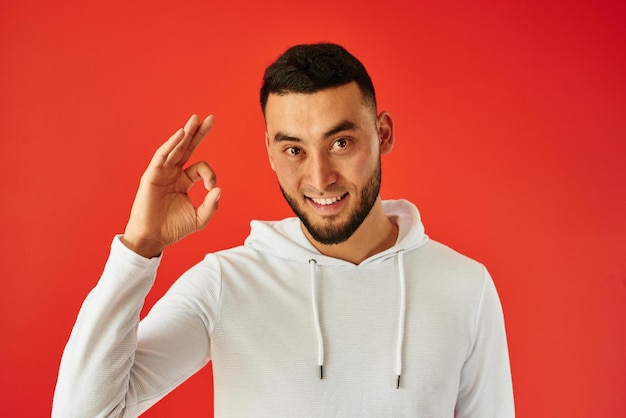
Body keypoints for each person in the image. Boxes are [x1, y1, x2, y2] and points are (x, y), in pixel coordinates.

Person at [53, 43, 514, 417]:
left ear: (384, 134)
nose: (320, 177)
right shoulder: (226, 284)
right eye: (294, 150)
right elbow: (84, 412)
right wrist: (139, 248)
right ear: (271, 154)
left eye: (341, 142)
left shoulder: (464, 287)